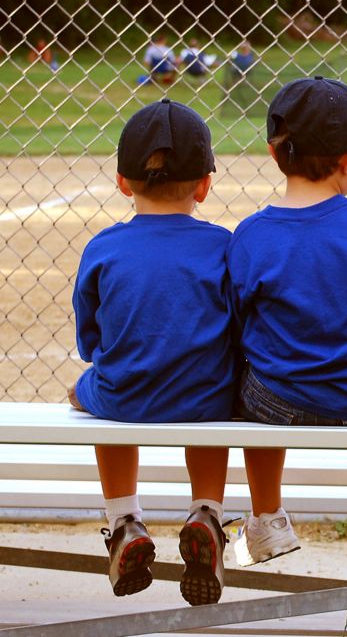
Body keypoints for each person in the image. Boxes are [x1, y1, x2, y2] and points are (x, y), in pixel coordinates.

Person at [227, 77, 347, 566]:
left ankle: (266, 517)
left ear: (273, 152)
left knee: (248, 384)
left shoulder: (252, 235)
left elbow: (240, 322)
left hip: (276, 402)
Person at [69, 98, 237, 606]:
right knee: (213, 398)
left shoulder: (103, 247)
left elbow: (89, 340)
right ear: (205, 186)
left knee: (93, 388)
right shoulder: (224, 245)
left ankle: (123, 519)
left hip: (124, 396)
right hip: (206, 397)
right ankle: (206, 511)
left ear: (123, 182)